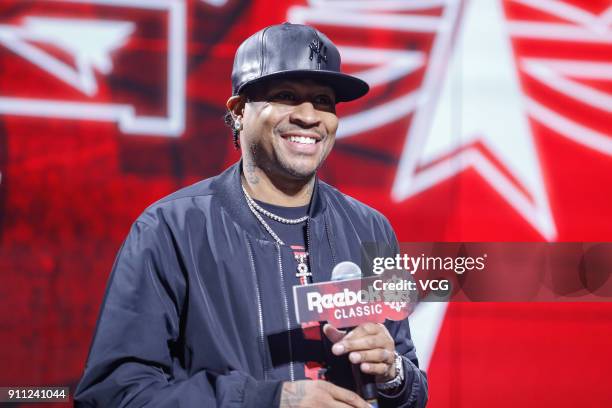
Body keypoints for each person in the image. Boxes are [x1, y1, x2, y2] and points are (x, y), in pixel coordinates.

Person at [75, 22, 428, 407]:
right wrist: (270, 400)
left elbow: (410, 384)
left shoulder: (371, 229)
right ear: (240, 110)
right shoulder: (170, 230)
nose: (310, 116)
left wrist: (394, 374)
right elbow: (113, 394)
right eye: (287, 95)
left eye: (324, 101)